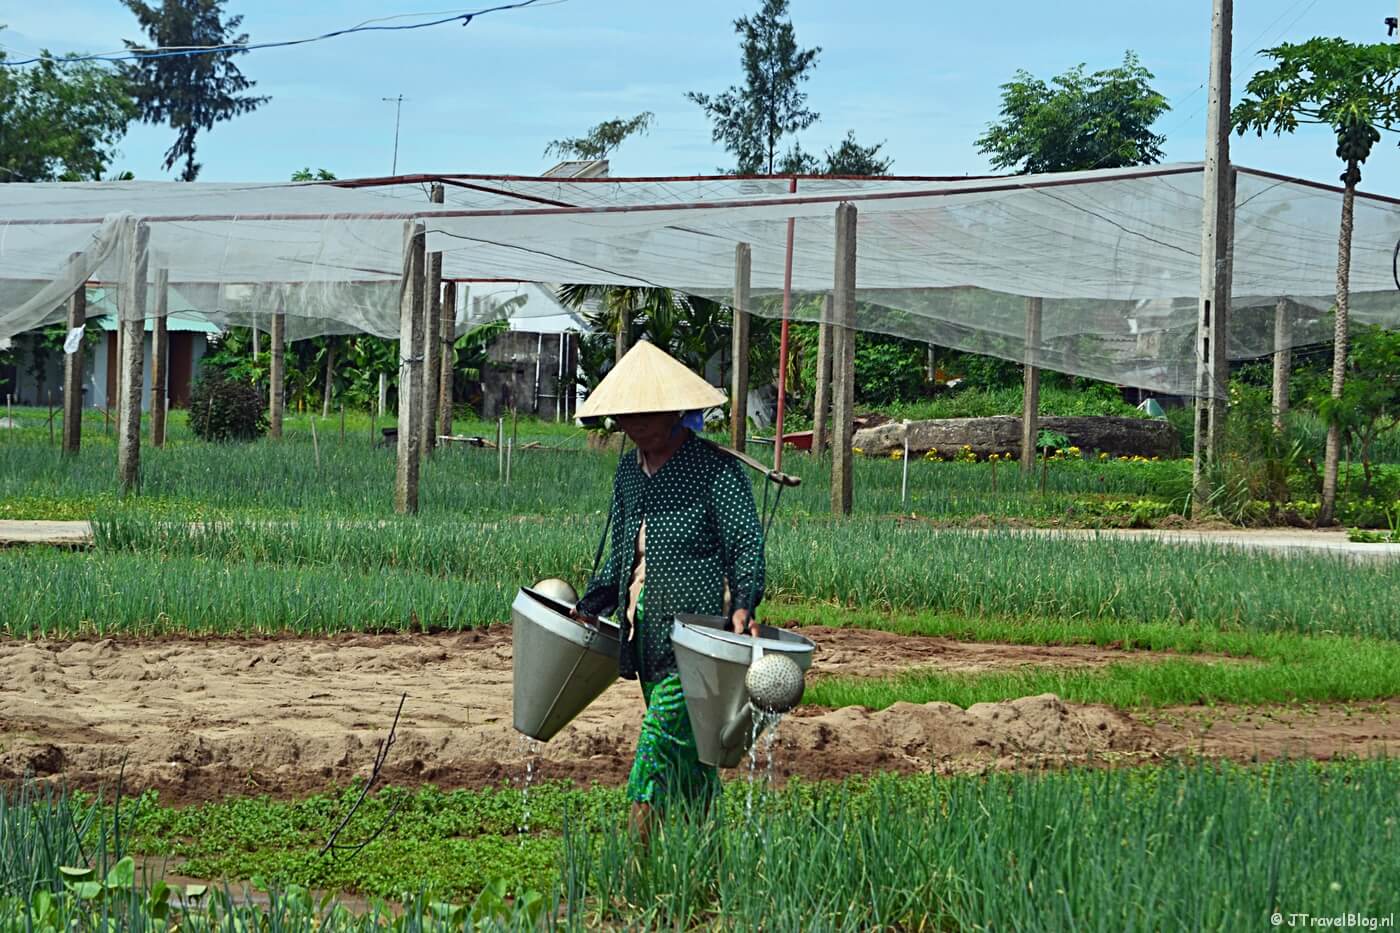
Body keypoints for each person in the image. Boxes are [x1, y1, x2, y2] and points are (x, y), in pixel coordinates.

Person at [572, 341, 765, 841]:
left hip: (697, 643)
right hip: (647, 641)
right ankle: (706, 857)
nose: (636, 425)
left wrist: (744, 601)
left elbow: (746, 542)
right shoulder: (628, 474)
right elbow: (620, 557)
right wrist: (591, 605)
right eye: (628, 416)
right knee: (692, 760)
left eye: (647, 414)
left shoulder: (715, 472)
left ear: (675, 410)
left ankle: (632, 871)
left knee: (655, 751)